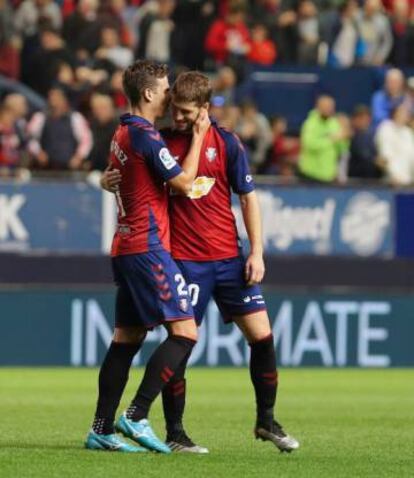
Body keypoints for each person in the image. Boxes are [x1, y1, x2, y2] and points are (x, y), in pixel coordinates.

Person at [103, 71, 299, 454]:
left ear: (205, 109)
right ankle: (175, 433)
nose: (177, 117)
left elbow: (248, 197)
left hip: (229, 259)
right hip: (185, 261)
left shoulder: (227, 143)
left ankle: (266, 421)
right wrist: (105, 180)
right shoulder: (160, 140)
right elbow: (128, 172)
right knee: (182, 344)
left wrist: (256, 251)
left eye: (186, 112)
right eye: (174, 109)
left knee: (262, 336)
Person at [85, 60, 210, 453]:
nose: (171, 91)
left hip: (124, 246)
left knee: (127, 337)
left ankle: (101, 429)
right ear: (150, 93)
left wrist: (108, 181)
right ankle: (137, 415)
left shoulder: (121, 132)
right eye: (166, 86)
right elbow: (185, 184)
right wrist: (200, 138)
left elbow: (118, 177)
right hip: (146, 247)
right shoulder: (145, 137)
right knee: (185, 332)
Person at [298, 95, 348, 183]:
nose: (328, 109)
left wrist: (344, 137)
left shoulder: (334, 123)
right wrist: (331, 139)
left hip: (329, 176)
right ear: (318, 107)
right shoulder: (310, 124)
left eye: (331, 106)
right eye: (326, 106)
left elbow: (342, 148)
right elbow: (309, 144)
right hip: (310, 175)